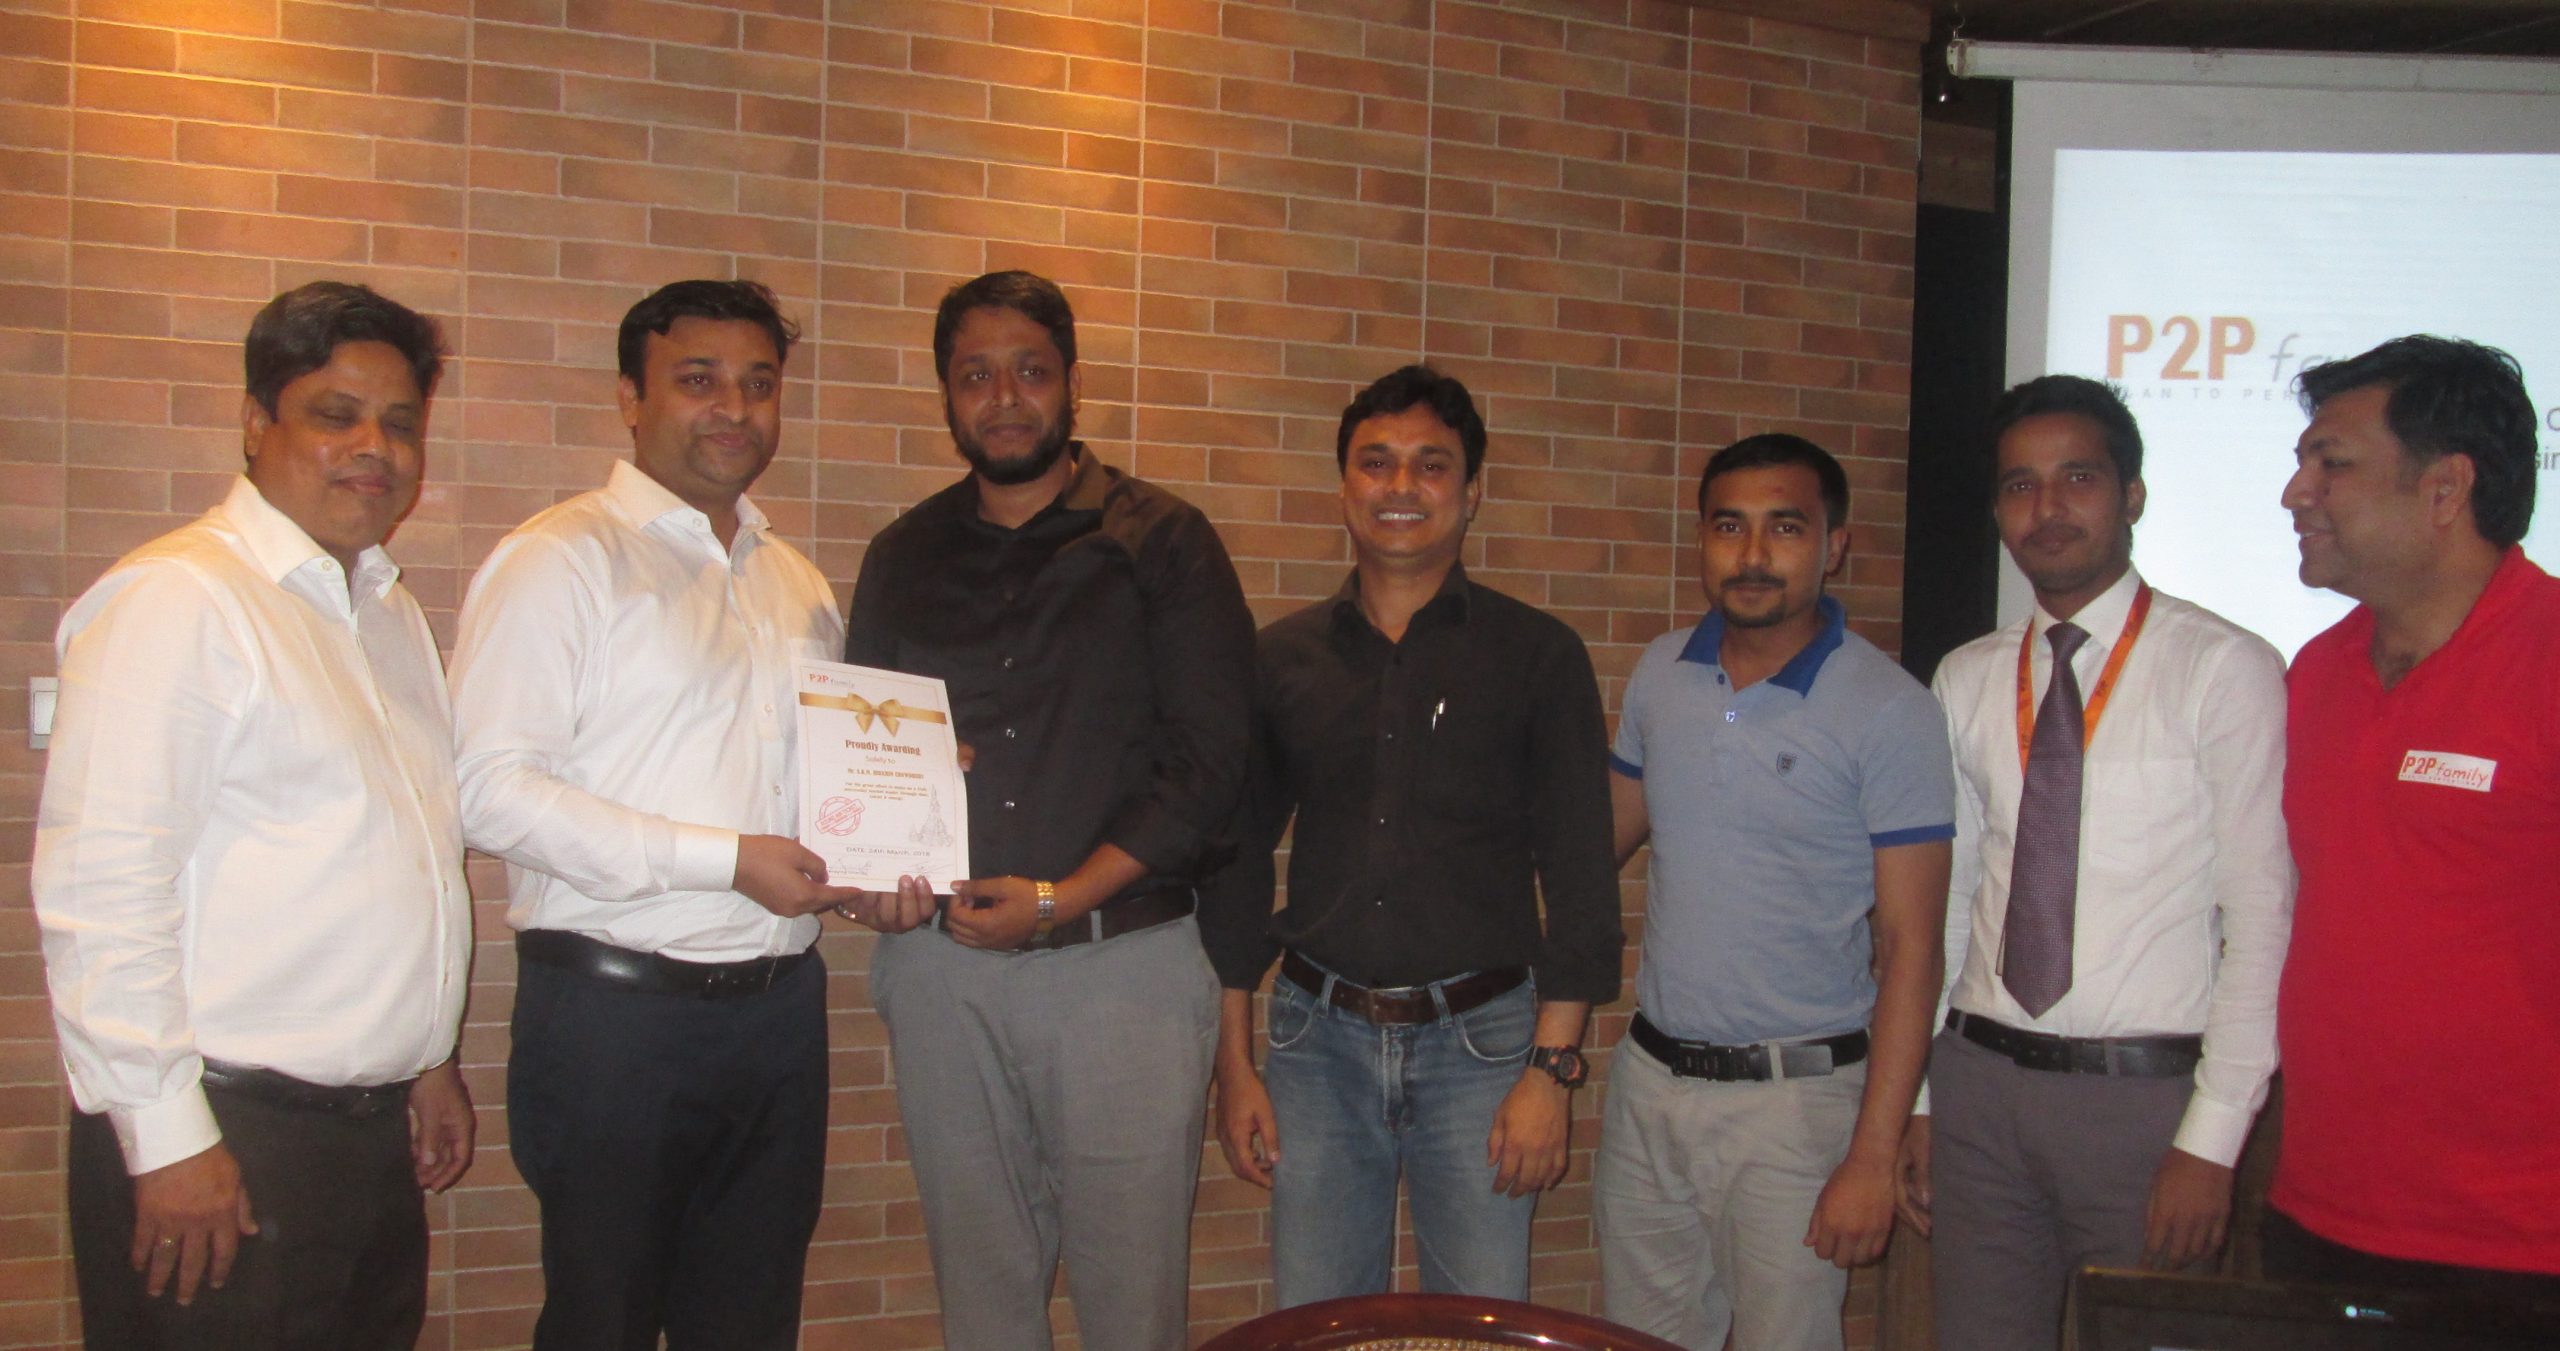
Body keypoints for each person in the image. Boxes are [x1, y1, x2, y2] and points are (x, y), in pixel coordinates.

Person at [450, 279, 891, 1350]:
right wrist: (724, 860)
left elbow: (804, 798)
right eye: (699, 380)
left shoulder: (796, 582)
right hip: (615, 1022)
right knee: (602, 1321)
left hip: (778, 1018)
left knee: (750, 1323)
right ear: (630, 398)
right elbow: (485, 790)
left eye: (758, 383)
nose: (734, 408)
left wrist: (883, 849)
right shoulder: (561, 558)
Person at [35, 281, 473, 1349]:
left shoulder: (387, 613)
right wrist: (167, 1139)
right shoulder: (180, 598)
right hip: (225, 1137)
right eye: (336, 414)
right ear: (254, 422)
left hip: (365, 1143)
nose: (375, 447)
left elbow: (404, 857)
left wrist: (428, 1058)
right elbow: (103, 892)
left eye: (400, 422)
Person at [844, 270, 1256, 1351]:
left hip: (1124, 969)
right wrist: (874, 886)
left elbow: (1212, 765)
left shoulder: (1164, 540)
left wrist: (1061, 897)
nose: (1004, 397)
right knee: (982, 1301)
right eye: (975, 375)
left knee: (1132, 1308)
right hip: (943, 974)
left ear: (1072, 383)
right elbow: (862, 759)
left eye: (1029, 370)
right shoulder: (901, 556)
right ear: (947, 394)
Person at [1198, 365, 1622, 1305]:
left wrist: (1550, 1071)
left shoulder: (1539, 655)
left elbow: (1581, 881)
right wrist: (1235, 1065)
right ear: (1343, 486)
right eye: (1376, 462)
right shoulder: (1281, 658)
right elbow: (1233, 871)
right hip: (1315, 1043)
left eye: (1432, 465)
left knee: (1477, 1325)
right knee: (1318, 1323)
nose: (1401, 486)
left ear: (1472, 492)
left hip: (1486, 1049)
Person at [1900, 376, 2292, 1349]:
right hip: (1981, 1087)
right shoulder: (1967, 675)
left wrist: (2212, 1140)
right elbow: (1949, 904)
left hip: (2144, 1105)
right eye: (2019, 485)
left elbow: (2263, 919)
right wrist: (1924, 1097)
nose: (2047, 507)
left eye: (2077, 477)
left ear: (2132, 494)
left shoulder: (2223, 667)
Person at [1597, 434, 1953, 1351]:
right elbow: (1599, 841)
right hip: (1649, 1089)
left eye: (1785, 527)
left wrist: (1872, 1154)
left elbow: (1913, 948)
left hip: (1796, 1110)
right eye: (1729, 526)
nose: (1752, 554)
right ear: (1702, 539)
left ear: (1834, 545)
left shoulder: (1892, 707)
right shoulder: (1661, 670)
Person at [2271, 335, 2560, 1297]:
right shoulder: (2315, 673)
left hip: (2523, 1245)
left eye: (2332, 463)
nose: (2297, 492)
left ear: (2445, 488)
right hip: (2321, 1212)